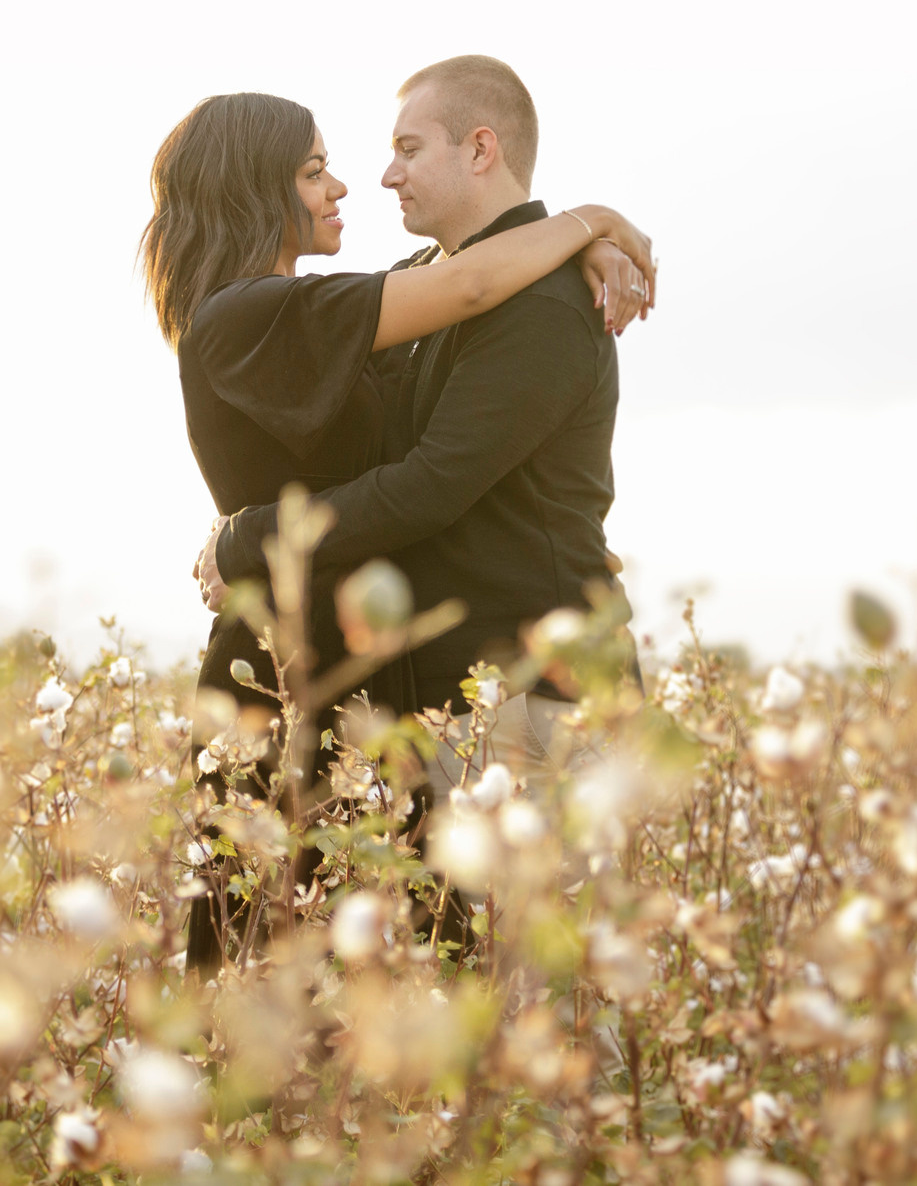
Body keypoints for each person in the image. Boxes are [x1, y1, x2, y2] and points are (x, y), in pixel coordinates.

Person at [139, 89, 655, 973]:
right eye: (313, 170)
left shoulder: (316, 311)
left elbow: (462, 271)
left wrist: (582, 246)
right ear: (256, 187)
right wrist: (590, 219)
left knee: (397, 981)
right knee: (287, 975)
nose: (346, 185)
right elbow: (472, 280)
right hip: (287, 674)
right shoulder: (253, 315)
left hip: (370, 674)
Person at [196, 56, 635, 792]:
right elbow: (453, 286)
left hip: (538, 705)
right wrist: (586, 229)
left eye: (409, 149)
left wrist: (245, 536)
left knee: (534, 912)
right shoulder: (429, 281)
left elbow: (429, 486)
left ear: (480, 149)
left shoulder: (547, 306)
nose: (384, 176)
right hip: (461, 710)